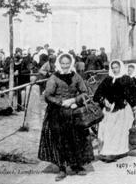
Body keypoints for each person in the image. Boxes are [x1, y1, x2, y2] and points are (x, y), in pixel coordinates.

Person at [38, 53, 94, 181]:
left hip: (74, 112)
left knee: (76, 138)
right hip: (57, 113)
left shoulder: (76, 76)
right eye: (62, 63)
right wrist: (61, 102)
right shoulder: (54, 77)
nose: (65, 65)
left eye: (67, 63)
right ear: (59, 63)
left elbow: (85, 92)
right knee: (60, 140)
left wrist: (75, 100)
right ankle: (62, 168)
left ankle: (77, 165)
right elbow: (48, 96)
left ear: (71, 63)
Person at [93, 60, 136, 163]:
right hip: (108, 110)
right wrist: (104, 100)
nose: (115, 70)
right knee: (106, 130)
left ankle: (115, 152)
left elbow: (133, 95)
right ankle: (106, 152)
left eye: (117, 67)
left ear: (121, 67)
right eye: (113, 68)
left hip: (122, 110)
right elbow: (98, 94)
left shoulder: (126, 79)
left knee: (118, 132)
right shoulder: (108, 79)